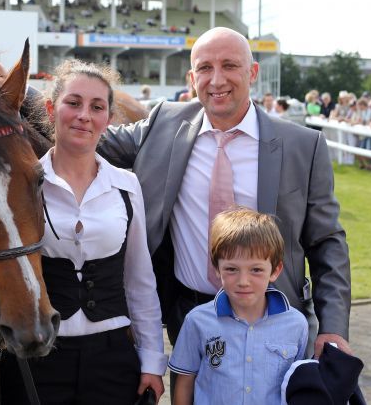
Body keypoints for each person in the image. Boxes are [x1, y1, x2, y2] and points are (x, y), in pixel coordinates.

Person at [98, 27, 350, 361]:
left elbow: (326, 243)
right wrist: (16, 92)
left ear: (253, 72)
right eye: (204, 68)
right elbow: (84, 134)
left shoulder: (304, 146)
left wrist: (332, 327)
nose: (216, 80)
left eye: (229, 65)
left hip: (275, 322)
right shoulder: (163, 124)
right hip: (189, 318)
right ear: (192, 77)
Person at [0, 59, 167, 405]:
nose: (83, 115)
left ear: (109, 118)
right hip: (37, 356)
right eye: (73, 103)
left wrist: (151, 359)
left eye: (96, 107)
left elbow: (139, 279)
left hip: (113, 357)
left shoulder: (126, 185)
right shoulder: (22, 185)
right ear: (50, 108)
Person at [169, 207, 308, 405]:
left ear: (275, 270)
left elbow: (296, 385)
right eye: (232, 269)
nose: (243, 281)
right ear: (217, 268)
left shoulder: (296, 324)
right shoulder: (197, 321)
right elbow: (185, 381)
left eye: (256, 270)